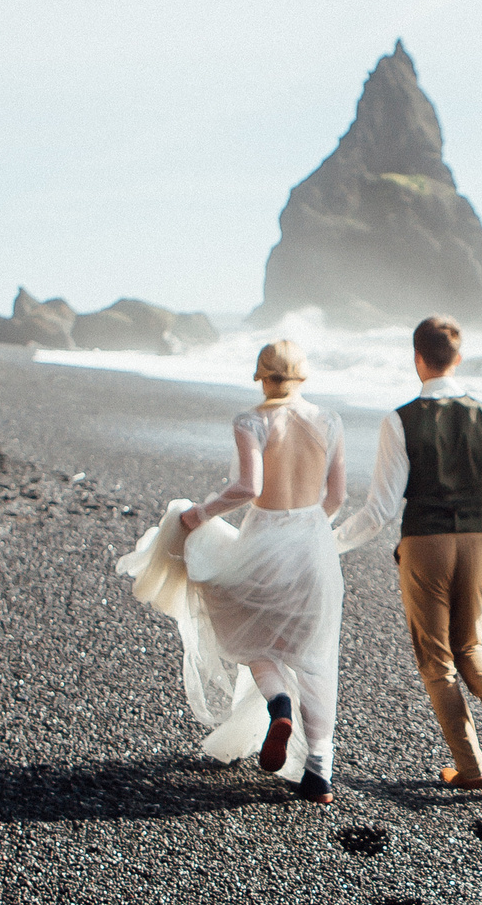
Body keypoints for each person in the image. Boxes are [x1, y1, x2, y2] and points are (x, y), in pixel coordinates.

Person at [116, 341, 347, 803]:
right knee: (315, 657)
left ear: (262, 376)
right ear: (302, 376)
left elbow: (249, 488)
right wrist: (309, 528)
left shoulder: (252, 420)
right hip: (312, 547)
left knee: (249, 633)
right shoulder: (330, 421)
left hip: (264, 543)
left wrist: (198, 515)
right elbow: (336, 498)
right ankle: (319, 772)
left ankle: (278, 701)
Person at [335, 315, 482, 792]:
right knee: (470, 644)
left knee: (437, 660)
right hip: (477, 541)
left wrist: (330, 542)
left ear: (417, 359)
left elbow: (380, 510)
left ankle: (471, 769)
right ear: (458, 359)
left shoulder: (400, 420)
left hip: (424, 544)